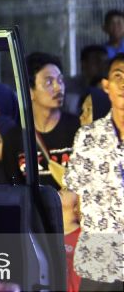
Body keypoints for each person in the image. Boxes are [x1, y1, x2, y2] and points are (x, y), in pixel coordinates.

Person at [64, 53, 124, 290]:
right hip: (98, 261)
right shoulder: (87, 137)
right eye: (118, 76)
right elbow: (73, 193)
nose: (123, 84)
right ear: (106, 85)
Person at [23, 52, 80, 190]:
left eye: (60, 80)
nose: (58, 87)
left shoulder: (78, 129)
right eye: (49, 82)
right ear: (30, 91)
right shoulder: (16, 137)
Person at [66, 45, 109, 116]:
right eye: (97, 62)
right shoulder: (68, 87)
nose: (102, 67)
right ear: (84, 64)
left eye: (105, 63)